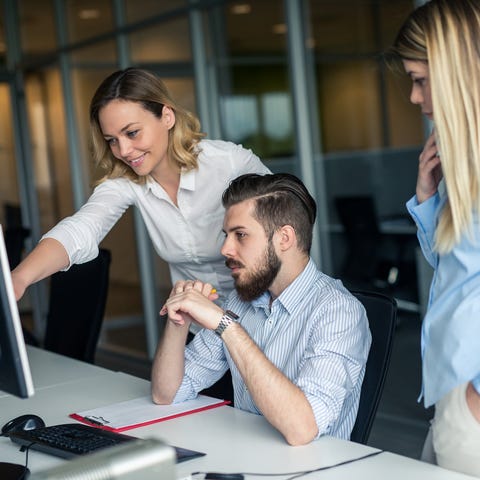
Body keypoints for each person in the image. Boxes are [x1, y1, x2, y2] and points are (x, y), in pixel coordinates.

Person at [10, 68, 270, 306]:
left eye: (132, 133)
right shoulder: (125, 181)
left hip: (263, 314)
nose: (123, 150)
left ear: (167, 116)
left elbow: (288, 220)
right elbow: (80, 229)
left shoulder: (230, 162)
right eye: (112, 140)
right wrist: (19, 278)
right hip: (198, 325)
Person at [151, 172, 371, 446]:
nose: (225, 249)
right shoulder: (239, 301)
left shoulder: (339, 312)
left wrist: (225, 326)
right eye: (226, 235)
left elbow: (302, 429)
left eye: (240, 235)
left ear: (284, 238)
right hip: (248, 457)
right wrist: (178, 321)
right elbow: (166, 394)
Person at [388, 0, 480, 476]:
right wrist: (429, 200)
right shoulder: (461, 159)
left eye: (420, 79)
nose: (413, 96)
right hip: (452, 392)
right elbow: (457, 271)